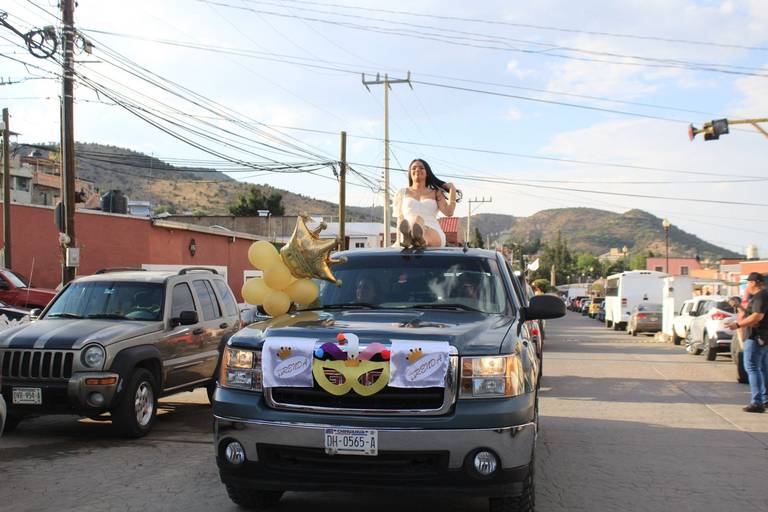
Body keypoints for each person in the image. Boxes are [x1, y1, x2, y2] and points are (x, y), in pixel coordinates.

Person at [725, 272, 768, 413]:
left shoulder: (761, 295)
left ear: (753, 282)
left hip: (756, 337)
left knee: (752, 367)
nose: (747, 286)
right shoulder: (762, 296)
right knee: (762, 367)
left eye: (748, 282)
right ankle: (764, 399)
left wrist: (737, 325)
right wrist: (739, 307)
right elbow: (753, 313)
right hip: (763, 337)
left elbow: (757, 316)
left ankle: (757, 402)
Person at [394, 159, 459, 249]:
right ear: (410, 173)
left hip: (432, 231)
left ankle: (418, 239)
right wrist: (397, 242)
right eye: (414, 168)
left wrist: (452, 189)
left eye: (421, 168)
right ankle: (414, 239)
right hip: (409, 227)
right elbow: (400, 220)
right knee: (415, 219)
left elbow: (449, 212)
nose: (417, 170)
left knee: (420, 224)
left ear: (427, 173)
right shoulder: (402, 192)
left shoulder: (436, 192)